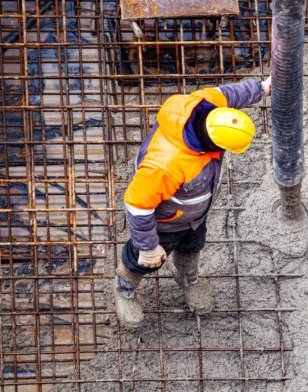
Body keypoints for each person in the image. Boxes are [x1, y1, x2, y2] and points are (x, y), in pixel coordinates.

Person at [114, 77, 272, 327]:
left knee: (192, 247)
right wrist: (148, 247)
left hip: (194, 217)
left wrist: (262, 88)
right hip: (164, 223)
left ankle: (187, 277)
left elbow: (230, 93)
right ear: (214, 144)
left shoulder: (208, 105)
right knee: (139, 261)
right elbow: (136, 204)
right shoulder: (166, 165)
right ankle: (124, 289)